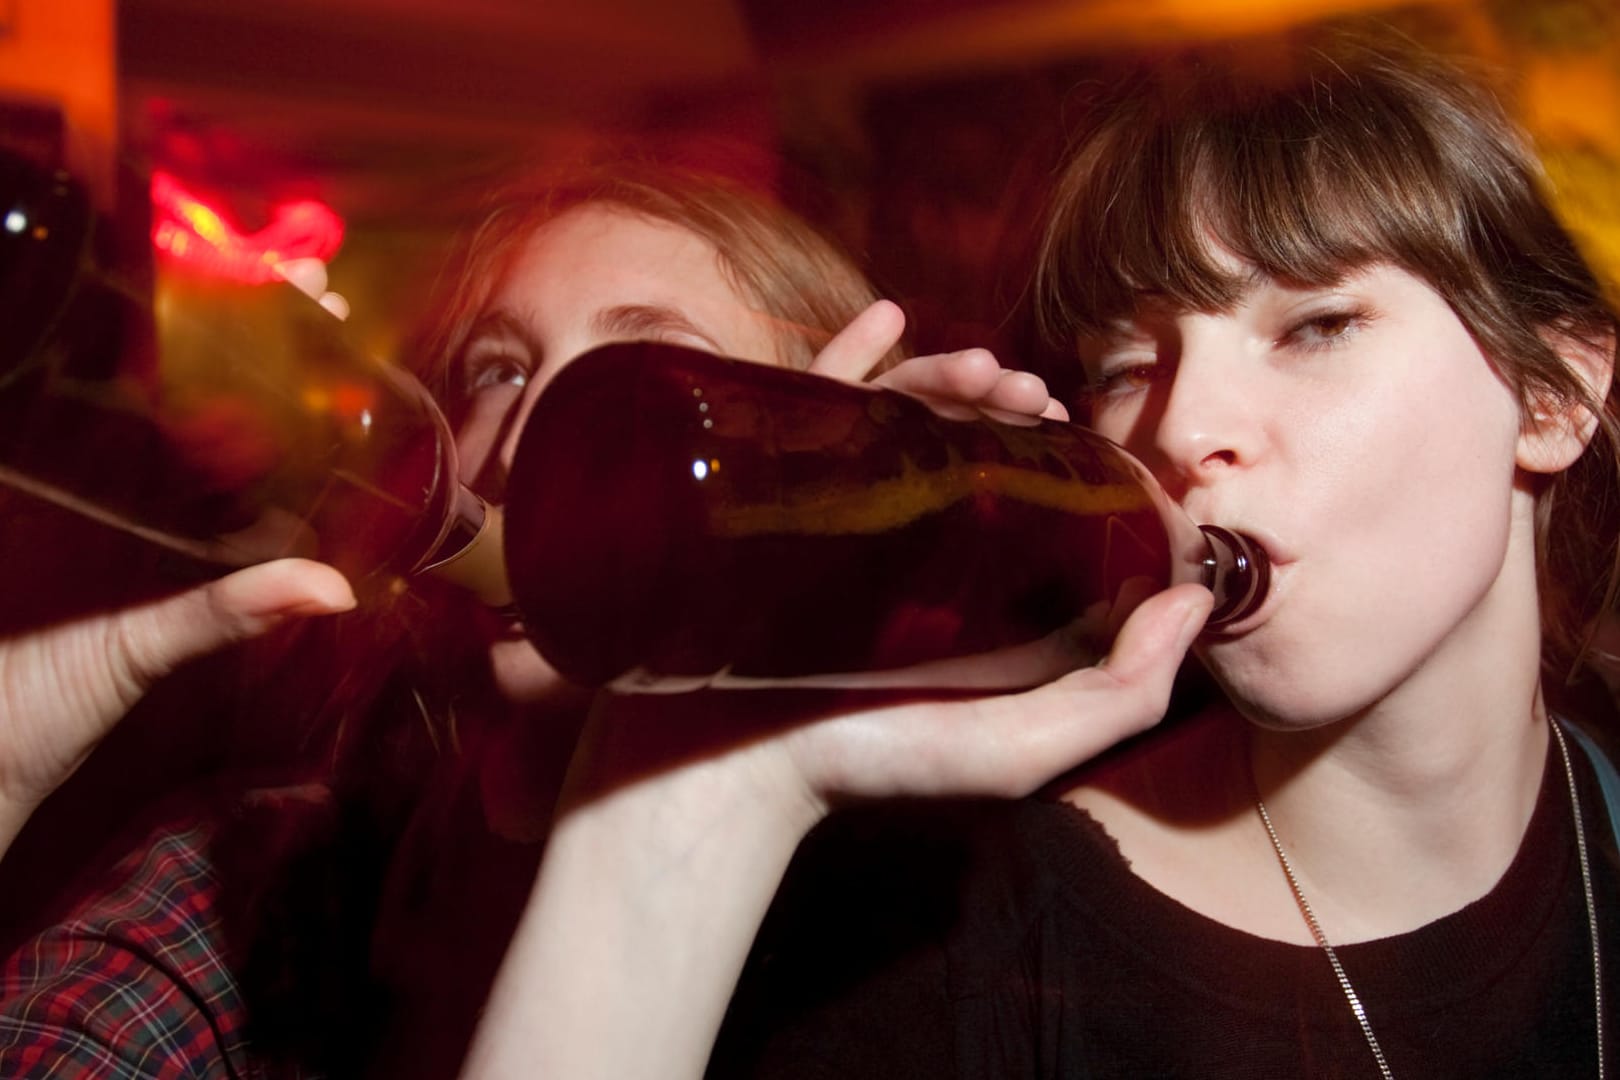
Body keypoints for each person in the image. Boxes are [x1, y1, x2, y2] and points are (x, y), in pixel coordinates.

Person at [459, 26, 1620, 1080]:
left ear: (1555, 394)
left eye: (1314, 325)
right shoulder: (959, 956)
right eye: (1125, 365)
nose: (1177, 427)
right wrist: (704, 786)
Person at [0, 158, 1065, 1075]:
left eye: (637, 377)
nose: (525, 451)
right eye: (500, 371)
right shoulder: (253, 880)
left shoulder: (950, 950)